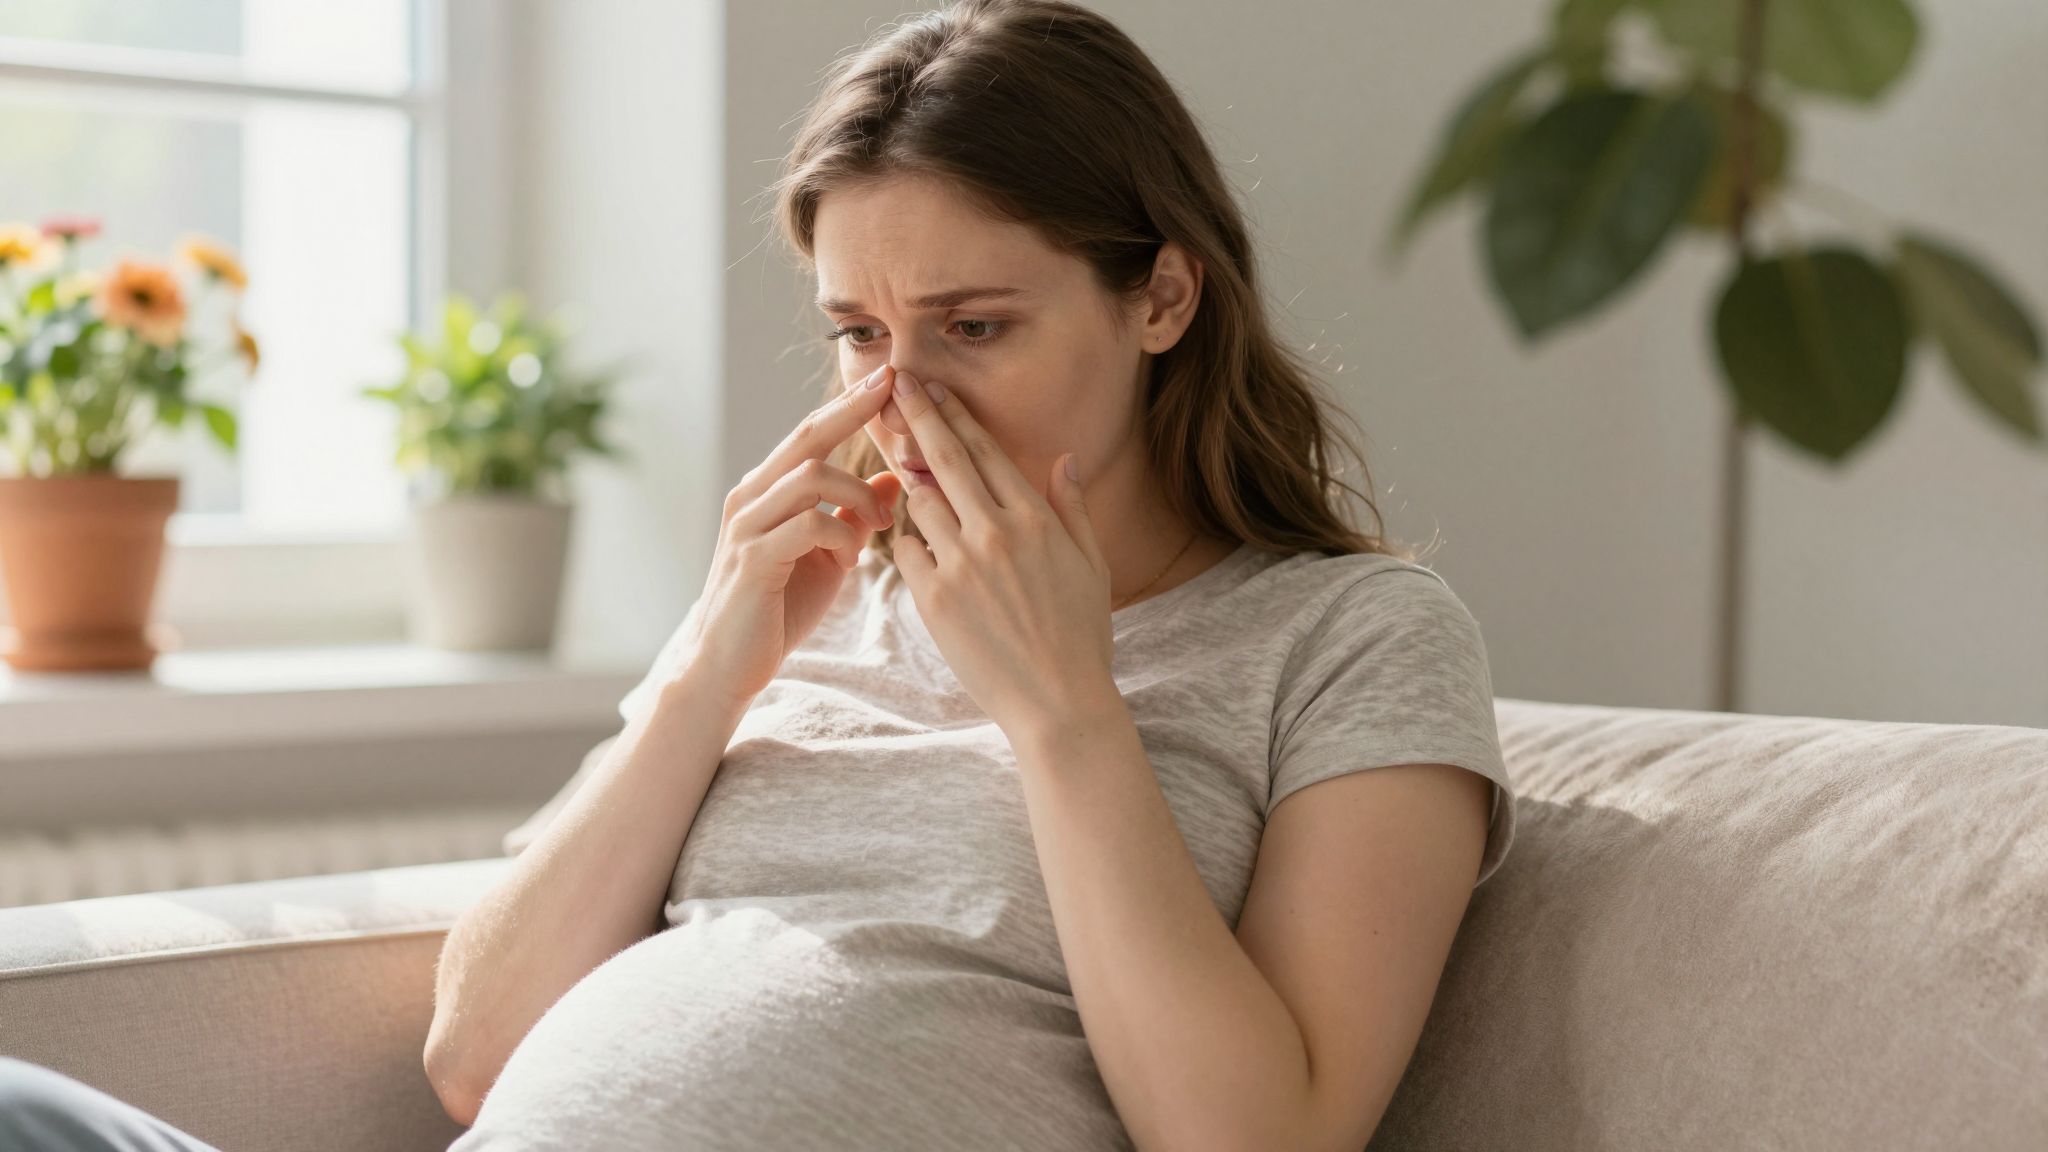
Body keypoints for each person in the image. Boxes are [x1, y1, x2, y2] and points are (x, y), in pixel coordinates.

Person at [2, 2, 1516, 1149]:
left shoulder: (1349, 639)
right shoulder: (814, 610)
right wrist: (713, 660)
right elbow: (474, 1054)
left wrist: (1066, 712)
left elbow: (1256, 1139)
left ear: (1162, 296)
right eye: (861, 332)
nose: (905, 396)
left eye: (974, 327)